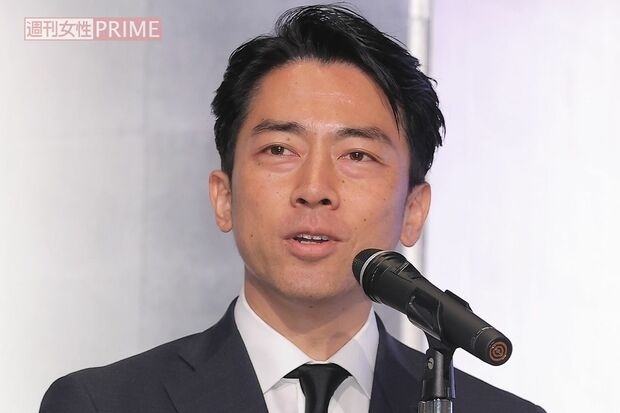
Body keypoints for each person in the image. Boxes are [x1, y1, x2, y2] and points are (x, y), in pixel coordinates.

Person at [40, 5, 545, 413]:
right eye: (280, 149)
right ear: (224, 197)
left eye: (357, 155)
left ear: (413, 210)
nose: (315, 188)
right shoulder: (102, 403)